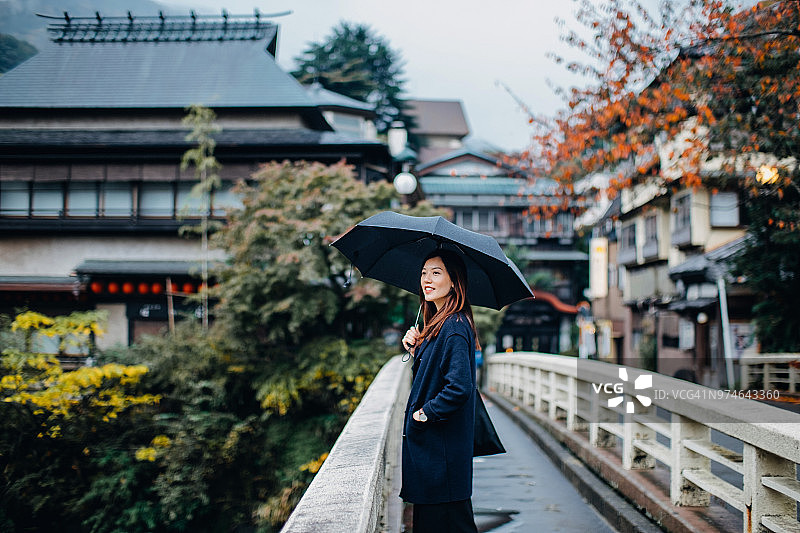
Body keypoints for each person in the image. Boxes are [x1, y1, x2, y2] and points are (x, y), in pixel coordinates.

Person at [400, 250, 480, 533]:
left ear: (454, 281)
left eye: (436, 272)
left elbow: (459, 387)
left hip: (441, 458)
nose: (427, 279)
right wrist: (417, 347)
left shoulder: (454, 327)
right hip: (435, 457)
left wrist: (425, 414)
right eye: (424, 272)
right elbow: (432, 376)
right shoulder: (438, 326)